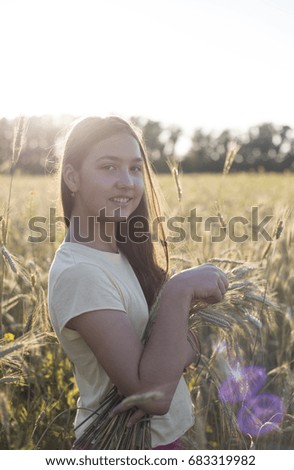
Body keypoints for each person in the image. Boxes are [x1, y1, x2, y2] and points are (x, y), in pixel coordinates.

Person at [47, 115, 229, 449]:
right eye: (108, 167)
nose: (128, 182)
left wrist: (174, 354)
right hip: (124, 448)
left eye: (135, 168)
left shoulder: (123, 255)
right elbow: (153, 395)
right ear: (72, 178)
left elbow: (184, 347)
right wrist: (180, 289)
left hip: (159, 441)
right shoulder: (80, 273)